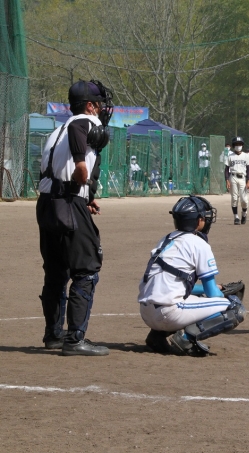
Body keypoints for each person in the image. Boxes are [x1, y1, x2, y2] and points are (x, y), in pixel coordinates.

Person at [35, 79, 113, 356]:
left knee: (56, 272)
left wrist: (85, 195)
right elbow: (79, 161)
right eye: (99, 105)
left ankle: (54, 335)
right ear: (90, 106)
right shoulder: (84, 123)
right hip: (68, 204)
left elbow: (56, 169)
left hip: (47, 204)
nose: (101, 109)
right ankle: (75, 339)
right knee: (86, 270)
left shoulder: (56, 130)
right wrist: (81, 177)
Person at [138, 196, 246, 356]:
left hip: (146, 313)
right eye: (204, 217)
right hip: (169, 314)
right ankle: (185, 338)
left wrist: (217, 288)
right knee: (235, 307)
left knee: (197, 297)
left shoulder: (166, 239)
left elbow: (174, 285)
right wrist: (222, 294)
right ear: (198, 221)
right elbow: (212, 294)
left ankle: (157, 336)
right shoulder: (199, 244)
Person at [225, 136, 249, 225]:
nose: (238, 146)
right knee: (234, 198)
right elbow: (226, 169)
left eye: (240, 144)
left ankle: (244, 214)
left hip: (243, 178)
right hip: (233, 177)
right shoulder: (230, 156)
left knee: (244, 199)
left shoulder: (246, 156)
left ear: (242, 145)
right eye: (236, 144)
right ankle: (236, 217)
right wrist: (227, 180)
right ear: (233, 145)